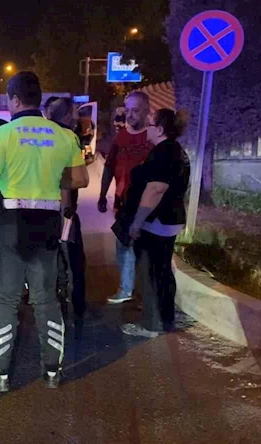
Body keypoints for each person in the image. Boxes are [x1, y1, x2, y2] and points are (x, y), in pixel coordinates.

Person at [0, 72, 89, 391]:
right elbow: (80, 179)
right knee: (46, 299)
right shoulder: (64, 136)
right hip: (47, 222)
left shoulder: (3, 135)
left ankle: (0, 374)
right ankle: (52, 372)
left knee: (6, 300)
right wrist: (51, 179)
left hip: (10, 224)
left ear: (15, 100)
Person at [118, 109, 190, 337]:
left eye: (150, 124)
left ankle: (152, 325)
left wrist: (137, 222)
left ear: (159, 129)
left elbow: (156, 189)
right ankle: (165, 319)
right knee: (163, 270)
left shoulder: (163, 152)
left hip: (156, 220)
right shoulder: (176, 150)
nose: (146, 128)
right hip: (169, 219)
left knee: (150, 272)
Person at [98, 91, 152, 305]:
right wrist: (102, 195)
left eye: (135, 110)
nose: (130, 115)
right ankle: (127, 289)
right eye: (127, 110)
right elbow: (109, 168)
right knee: (124, 246)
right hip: (123, 204)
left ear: (147, 111)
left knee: (145, 251)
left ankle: (146, 295)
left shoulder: (154, 138)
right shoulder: (120, 138)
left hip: (148, 205)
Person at [45, 97, 87, 321]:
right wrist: (67, 210)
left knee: (52, 259)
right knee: (73, 259)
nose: (78, 118)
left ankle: (54, 301)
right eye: (76, 113)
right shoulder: (68, 138)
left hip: (43, 210)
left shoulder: (43, 136)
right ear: (68, 115)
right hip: (64, 210)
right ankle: (76, 306)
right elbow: (74, 178)